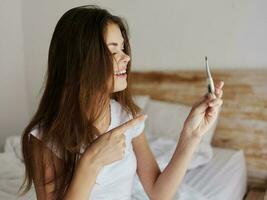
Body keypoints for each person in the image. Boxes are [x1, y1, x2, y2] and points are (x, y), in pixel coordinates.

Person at [19, 5, 224, 200]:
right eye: (113, 50)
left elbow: (158, 193)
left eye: (123, 48)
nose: (126, 57)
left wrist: (191, 135)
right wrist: (92, 161)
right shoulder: (45, 138)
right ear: (80, 60)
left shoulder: (127, 117)